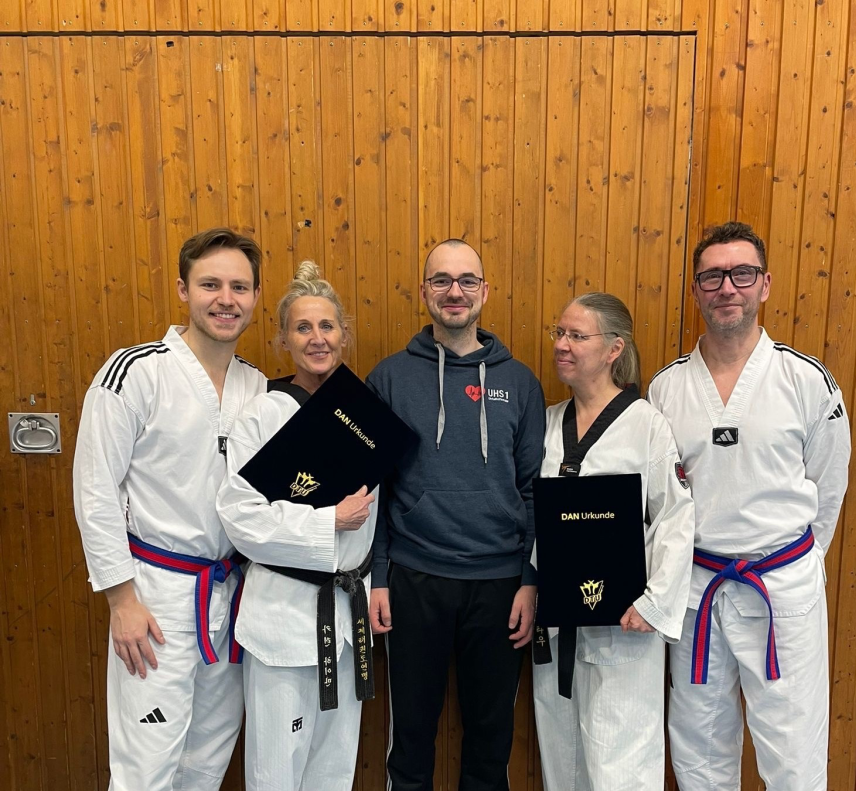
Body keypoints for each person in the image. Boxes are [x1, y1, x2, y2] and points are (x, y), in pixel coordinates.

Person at [647, 222, 851, 791]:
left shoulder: (805, 380)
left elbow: (829, 485)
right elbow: (660, 498)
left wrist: (795, 562)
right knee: (698, 748)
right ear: (696, 290)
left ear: (764, 284)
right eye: (712, 276)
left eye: (742, 273)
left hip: (780, 589)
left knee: (793, 752)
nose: (727, 288)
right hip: (699, 590)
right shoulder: (666, 388)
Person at [73, 228, 268, 790]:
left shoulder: (257, 386)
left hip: (230, 596)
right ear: (183, 290)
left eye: (239, 287)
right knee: (147, 767)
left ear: (256, 297)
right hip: (154, 596)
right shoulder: (135, 371)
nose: (226, 299)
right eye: (210, 285)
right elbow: (95, 489)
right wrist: (121, 600)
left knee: (206, 762)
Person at [366, 238, 545, 791]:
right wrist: (378, 577)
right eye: (441, 280)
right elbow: (374, 489)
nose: (455, 292)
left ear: (484, 292)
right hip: (414, 578)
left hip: (499, 585)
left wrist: (530, 579)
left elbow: (532, 489)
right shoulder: (390, 378)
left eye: (467, 280)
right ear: (424, 292)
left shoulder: (520, 382)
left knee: (490, 744)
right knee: (410, 740)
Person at [216, 261, 377, 791]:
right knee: (277, 769)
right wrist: (327, 520)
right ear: (282, 340)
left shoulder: (363, 414)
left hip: (348, 616)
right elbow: (240, 516)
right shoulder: (263, 415)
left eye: (327, 326)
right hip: (283, 618)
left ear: (344, 335)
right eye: (303, 328)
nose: (317, 338)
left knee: (335, 765)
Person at [532, 293, 695, 791]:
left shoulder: (646, 424)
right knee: (563, 762)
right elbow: (532, 515)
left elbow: (675, 517)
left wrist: (654, 603)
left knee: (620, 768)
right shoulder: (547, 422)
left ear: (613, 349)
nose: (562, 345)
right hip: (558, 624)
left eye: (577, 336)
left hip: (624, 624)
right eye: (559, 333)